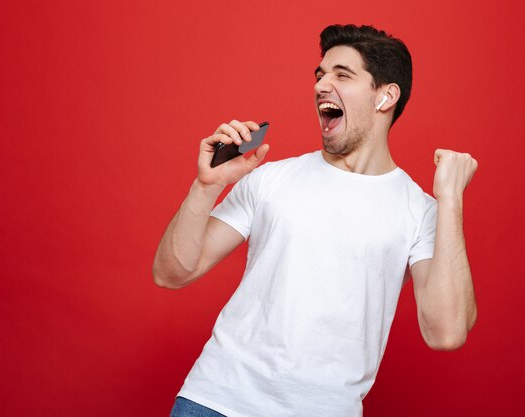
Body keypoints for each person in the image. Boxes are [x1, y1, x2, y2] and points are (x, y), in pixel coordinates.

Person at [153, 24, 478, 417]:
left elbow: (446, 332)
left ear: (385, 96)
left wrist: (450, 200)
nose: (322, 85)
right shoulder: (271, 179)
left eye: (342, 75)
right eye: (320, 75)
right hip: (216, 401)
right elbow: (171, 273)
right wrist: (206, 187)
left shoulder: (420, 211)